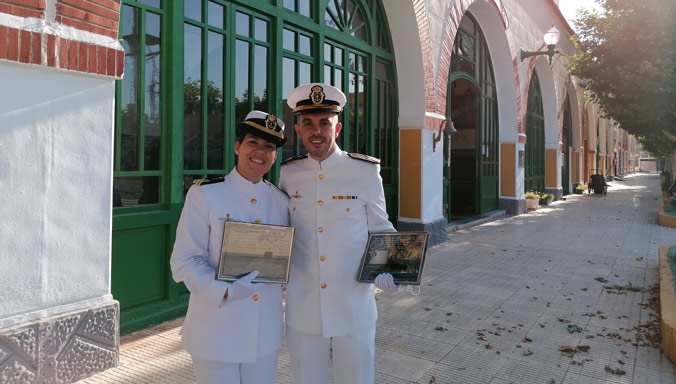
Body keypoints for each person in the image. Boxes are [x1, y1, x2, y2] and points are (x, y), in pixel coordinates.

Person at [279, 83, 401, 384]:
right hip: (304, 306)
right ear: (298, 130)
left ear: (338, 127)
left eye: (324, 123)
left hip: (353, 304)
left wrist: (392, 269)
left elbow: (381, 228)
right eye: (308, 124)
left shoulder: (364, 171)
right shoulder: (288, 172)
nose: (316, 131)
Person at [170, 110, 288, 384]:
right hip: (216, 329)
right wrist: (225, 290)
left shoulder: (281, 201)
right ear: (237, 147)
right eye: (253, 143)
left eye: (269, 147)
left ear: (275, 156)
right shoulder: (206, 194)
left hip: (264, 333)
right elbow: (184, 260)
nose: (260, 152)